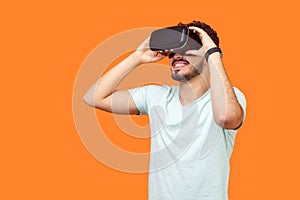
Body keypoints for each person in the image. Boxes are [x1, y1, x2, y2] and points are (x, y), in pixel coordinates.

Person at [83, 20, 246, 200]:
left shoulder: (227, 97)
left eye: (187, 49)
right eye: (174, 52)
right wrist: (137, 57)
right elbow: (93, 97)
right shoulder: (156, 96)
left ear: (206, 55)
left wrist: (213, 54)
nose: (177, 56)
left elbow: (228, 117)